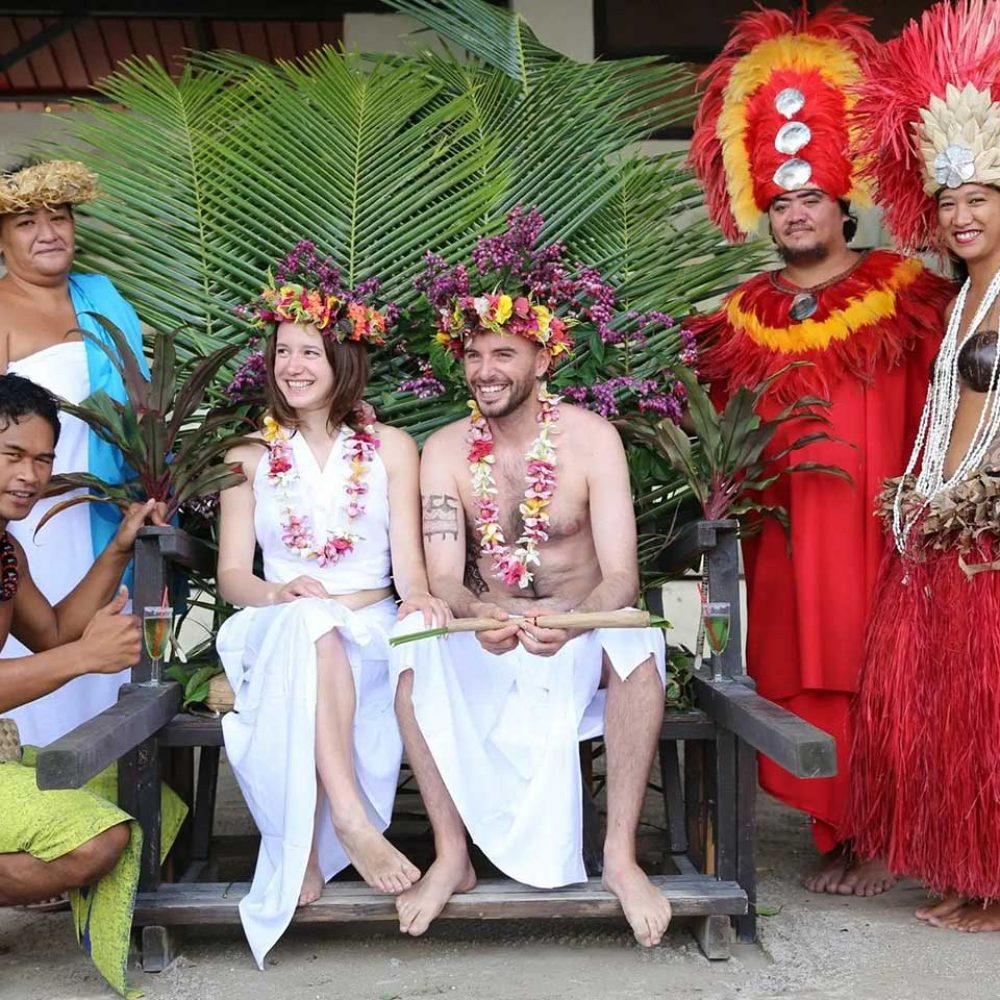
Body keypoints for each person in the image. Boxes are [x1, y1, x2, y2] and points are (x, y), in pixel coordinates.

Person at [686, 4, 954, 896]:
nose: (796, 213)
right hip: (787, 537)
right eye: (782, 201)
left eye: (811, 197)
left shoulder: (908, 292)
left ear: (844, 202)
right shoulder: (738, 317)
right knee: (800, 667)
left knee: (880, 669)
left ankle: (880, 835)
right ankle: (837, 828)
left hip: (882, 529)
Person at [391, 214, 670, 948]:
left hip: (574, 628)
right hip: (490, 629)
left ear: (542, 360)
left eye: (504, 353)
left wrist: (572, 619)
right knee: (410, 646)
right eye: (475, 355)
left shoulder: (591, 439)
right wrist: (478, 612)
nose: (485, 369)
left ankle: (618, 859)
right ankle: (451, 856)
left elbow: (620, 577)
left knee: (638, 653)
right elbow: (445, 576)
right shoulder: (445, 449)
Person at [215, 242, 448, 968]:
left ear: (341, 360)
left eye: (310, 351)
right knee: (310, 623)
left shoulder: (392, 448)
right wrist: (277, 590)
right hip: (277, 621)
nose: (294, 366)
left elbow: (408, 563)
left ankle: (303, 845)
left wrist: (421, 601)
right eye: (283, 352)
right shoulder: (246, 456)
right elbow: (232, 576)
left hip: (371, 622)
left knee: (346, 634)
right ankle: (347, 820)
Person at [843, 0, 1000, 933]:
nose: (961, 216)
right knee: (944, 708)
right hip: (943, 519)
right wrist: (931, 495)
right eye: (948, 203)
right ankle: (967, 867)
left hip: (988, 526)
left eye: (981, 198)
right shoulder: (960, 301)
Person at [0, 372, 183, 996]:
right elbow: (68, 653)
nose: (30, 474)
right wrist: (86, 658)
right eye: (12, 455)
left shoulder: (6, 550)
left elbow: (51, 633)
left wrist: (117, 550)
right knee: (101, 839)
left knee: (152, 807)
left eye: (43, 458)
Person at [0, 159, 151, 747]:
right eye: (26, 222)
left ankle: (104, 812)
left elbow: (142, 409)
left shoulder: (104, 299)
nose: (48, 232)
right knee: (43, 660)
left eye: (59, 217)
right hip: (29, 517)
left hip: (105, 508)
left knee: (104, 659)